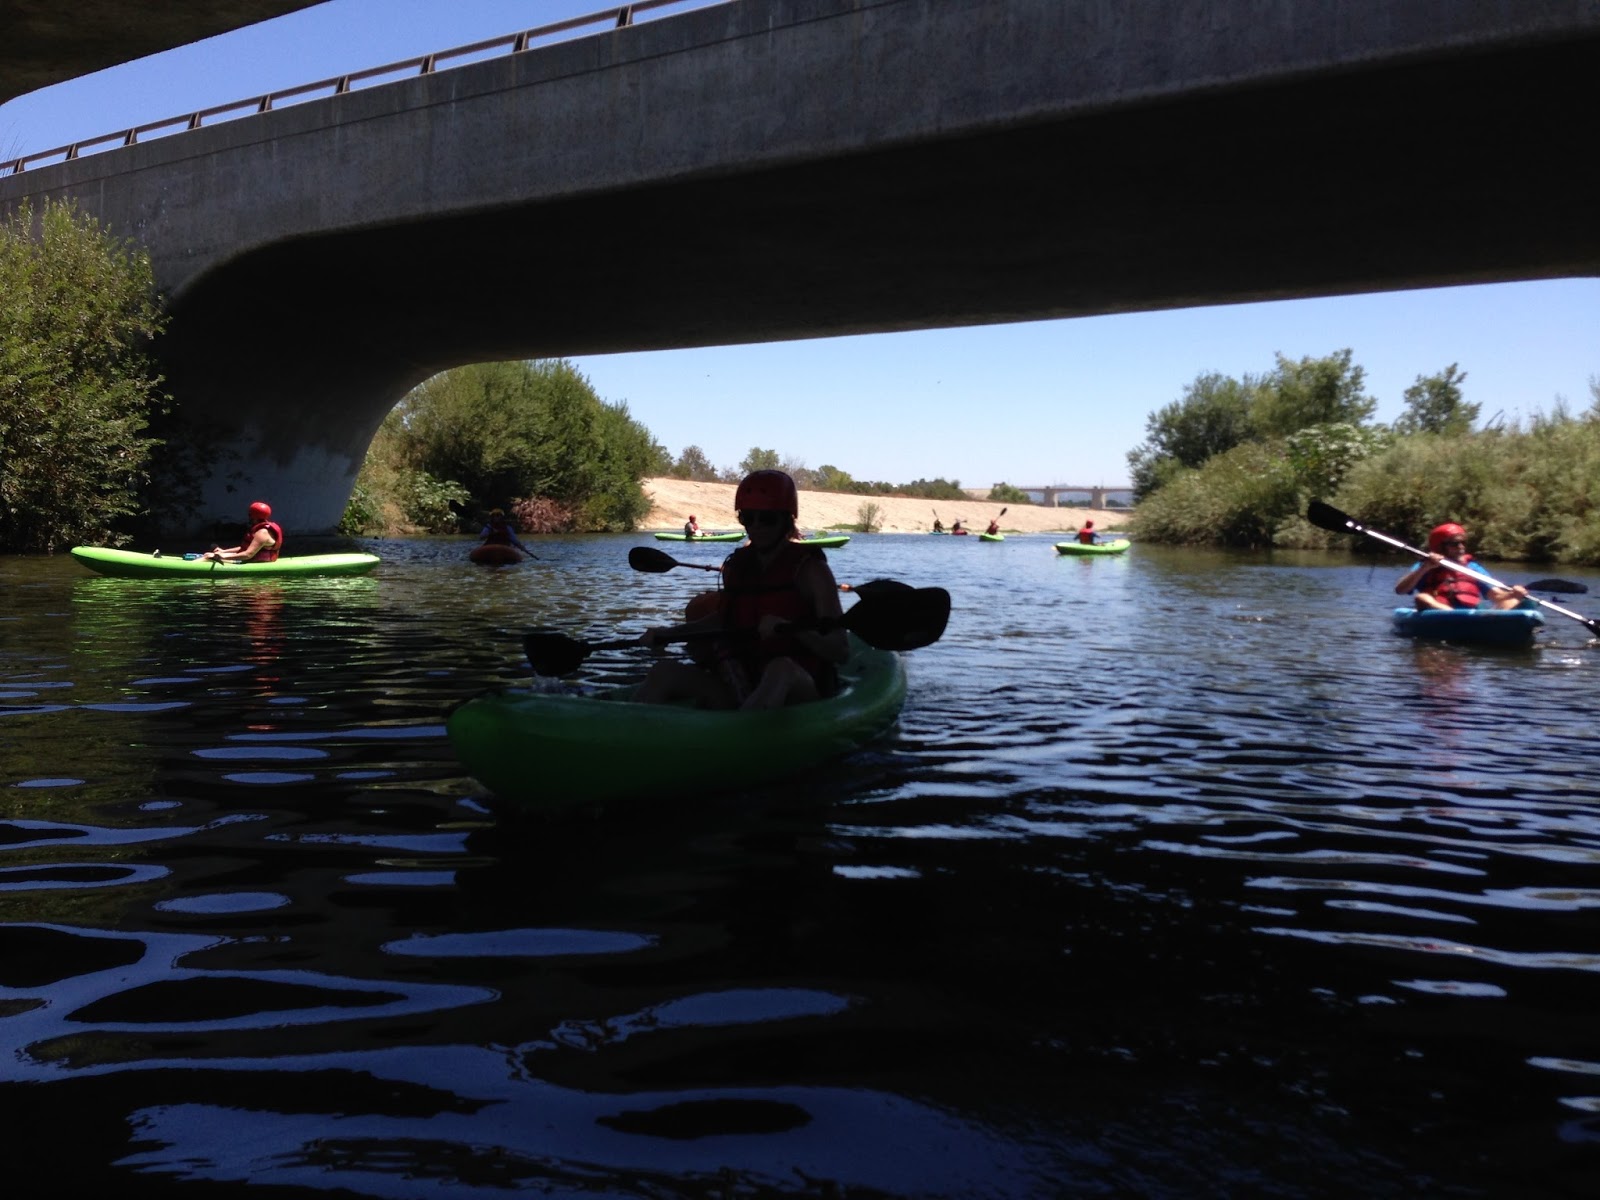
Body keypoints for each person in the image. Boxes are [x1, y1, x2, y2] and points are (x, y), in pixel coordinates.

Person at [635, 469, 848, 710]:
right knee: (663, 672)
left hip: (801, 686)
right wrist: (669, 633)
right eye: (748, 517)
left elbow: (840, 649)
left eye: (767, 518)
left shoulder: (812, 571)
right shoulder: (738, 566)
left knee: (781, 669)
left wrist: (794, 631)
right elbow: (724, 621)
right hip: (745, 677)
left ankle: (743, 737)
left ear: (787, 519)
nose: (756, 526)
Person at [1395, 522, 1528, 611]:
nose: (1461, 547)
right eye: (1455, 543)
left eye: (1463, 543)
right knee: (1422, 598)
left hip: (1471, 615)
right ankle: (1452, 615)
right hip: (1438, 613)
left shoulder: (1473, 567)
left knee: (1516, 600)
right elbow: (1400, 590)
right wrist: (1425, 568)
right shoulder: (1425, 565)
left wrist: (1513, 593)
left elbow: (1496, 595)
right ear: (1439, 546)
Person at [207, 501, 282, 563]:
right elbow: (246, 547)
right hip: (249, 559)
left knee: (207, 557)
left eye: (250, 514)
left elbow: (248, 554)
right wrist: (223, 551)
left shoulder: (262, 533)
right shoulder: (260, 530)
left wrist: (221, 556)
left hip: (254, 561)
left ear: (253, 516)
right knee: (208, 554)